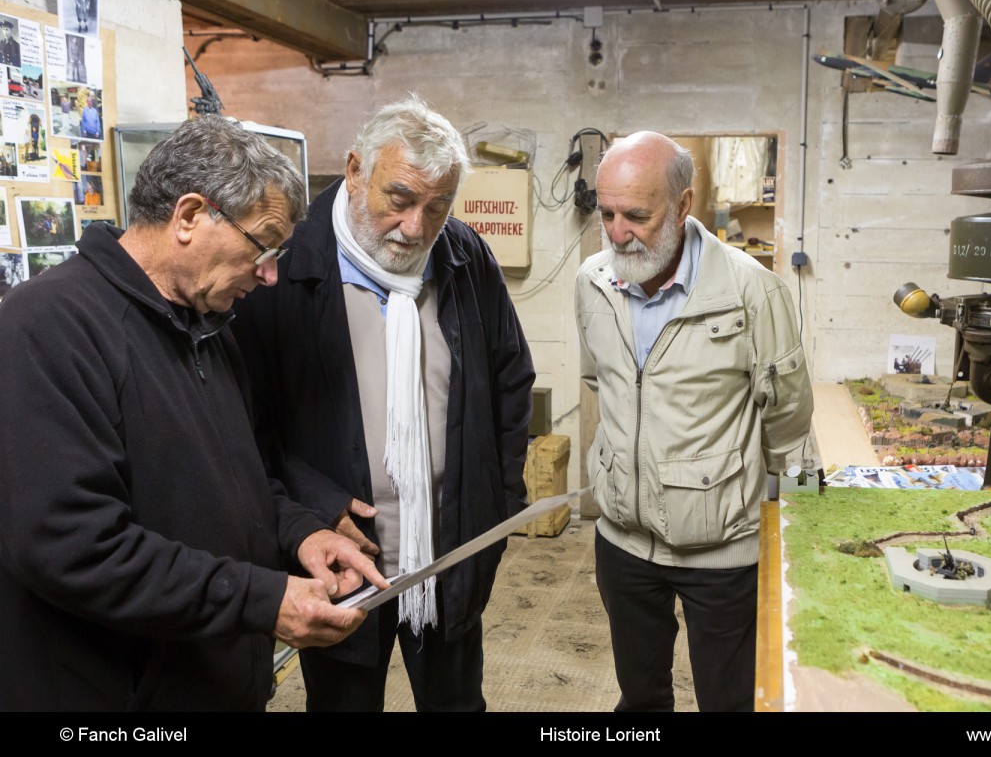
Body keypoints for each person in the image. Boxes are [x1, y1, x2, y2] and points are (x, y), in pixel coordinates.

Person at [0, 116, 388, 711]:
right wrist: (260, 600)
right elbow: (73, 546)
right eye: (262, 245)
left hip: (215, 680)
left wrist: (299, 532)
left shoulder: (207, 327)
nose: (270, 273)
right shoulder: (46, 328)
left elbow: (237, 479)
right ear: (188, 216)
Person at [231, 97, 535, 712]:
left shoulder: (465, 257)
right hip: (338, 556)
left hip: (447, 551)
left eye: (438, 207)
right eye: (399, 199)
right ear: (353, 170)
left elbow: (511, 379)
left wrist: (496, 506)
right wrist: (311, 509)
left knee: (457, 703)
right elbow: (247, 428)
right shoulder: (281, 270)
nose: (416, 227)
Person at [575, 131, 815, 712]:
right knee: (641, 698)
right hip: (623, 541)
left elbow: (787, 413)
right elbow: (599, 379)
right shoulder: (591, 282)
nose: (617, 232)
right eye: (606, 213)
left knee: (728, 701)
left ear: (683, 206)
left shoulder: (752, 290)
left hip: (722, 548)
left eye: (636, 214)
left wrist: (761, 496)